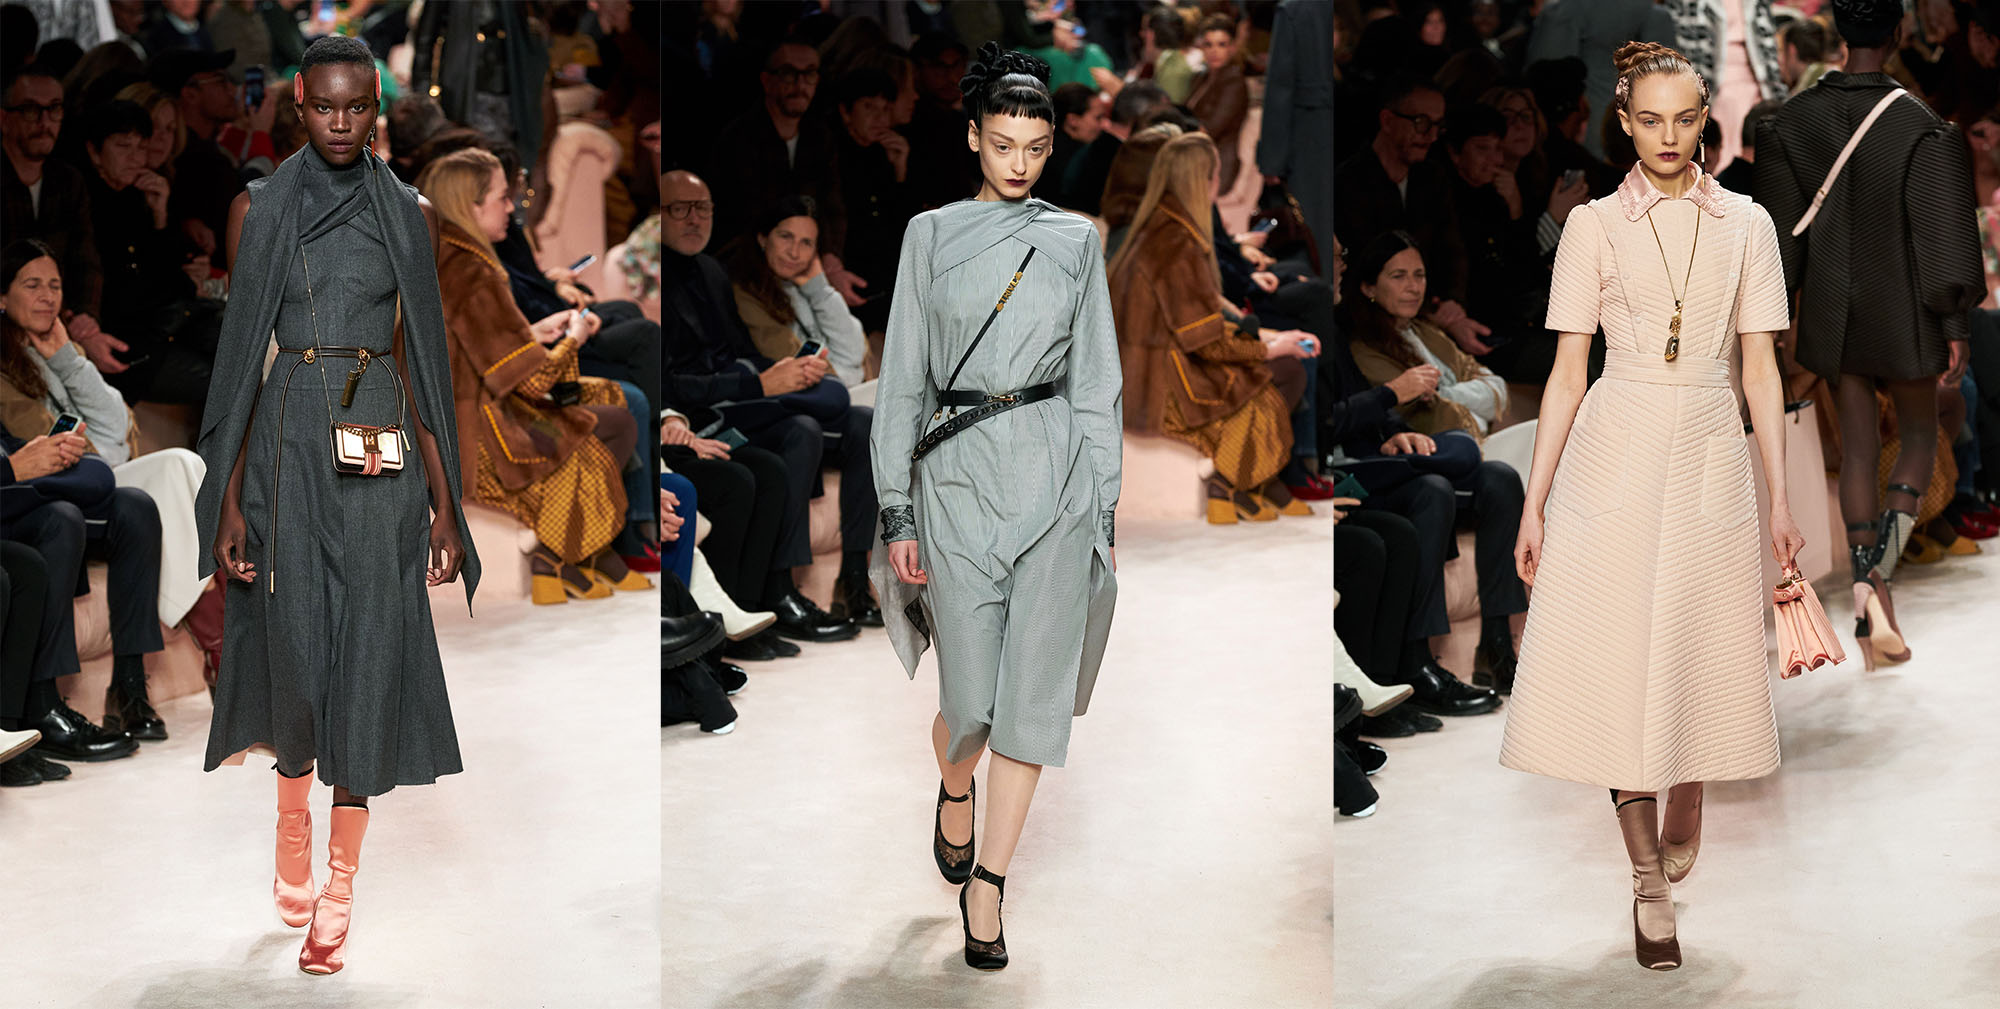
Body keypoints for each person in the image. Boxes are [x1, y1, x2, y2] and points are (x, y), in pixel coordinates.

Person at [1499, 42, 1799, 972]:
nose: (1669, 136)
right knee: (1620, 664)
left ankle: (1692, 780)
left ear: (1706, 117)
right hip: (1613, 449)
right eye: (1650, 119)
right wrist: (1535, 502)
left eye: (1685, 117)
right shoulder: (1592, 225)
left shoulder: (1748, 223)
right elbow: (1566, 372)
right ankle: (1646, 884)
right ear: (1623, 124)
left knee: (1701, 645)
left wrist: (1780, 496)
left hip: (1710, 441)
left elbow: (1760, 367)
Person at [191, 35, 480, 976]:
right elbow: (240, 361)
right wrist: (227, 499)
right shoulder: (259, 208)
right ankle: (291, 816)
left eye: (358, 107)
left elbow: (424, 358)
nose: (342, 122)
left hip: (379, 441)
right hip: (286, 442)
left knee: (369, 650)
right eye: (324, 106)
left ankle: (341, 886)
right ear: (299, 106)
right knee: (296, 645)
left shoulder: (409, 213)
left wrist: (444, 502)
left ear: (378, 108)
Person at [868, 44, 1120, 972]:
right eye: (1004, 143)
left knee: (1032, 701)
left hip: (1056, 476)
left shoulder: (1076, 241)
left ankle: (991, 884)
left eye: (1038, 148)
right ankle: (954, 784)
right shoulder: (930, 235)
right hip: (958, 477)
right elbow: (902, 378)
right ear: (973, 137)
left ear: (1053, 147)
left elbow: (1096, 381)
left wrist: (1102, 509)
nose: (1020, 162)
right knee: (970, 703)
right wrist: (897, 509)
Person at [1754, 0, 1985, 666]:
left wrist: (1777, 321)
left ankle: (1865, 585)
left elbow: (1779, 240)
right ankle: (1876, 575)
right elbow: (1942, 236)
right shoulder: (1922, 127)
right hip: (1904, 305)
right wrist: (1954, 320)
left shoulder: (1789, 122)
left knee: (1858, 449)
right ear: (1897, 32)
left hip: (1830, 306)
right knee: (1920, 436)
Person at [419, 147, 649, 601]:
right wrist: (574, 337)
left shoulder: (445, 259)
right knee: (617, 417)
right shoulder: (472, 271)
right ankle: (562, 553)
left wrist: (534, 332)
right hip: (482, 441)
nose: (511, 207)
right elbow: (531, 382)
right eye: (502, 197)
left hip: (463, 423)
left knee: (611, 400)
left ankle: (571, 555)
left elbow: (474, 349)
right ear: (472, 206)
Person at [1108, 131, 1317, 523]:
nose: (1218, 183)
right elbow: (1203, 338)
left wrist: (1269, 341)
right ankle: (1234, 481)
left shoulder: (1159, 229)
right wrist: (1270, 346)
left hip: (1146, 373)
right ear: (1201, 180)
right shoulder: (1176, 242)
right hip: (1163, 385)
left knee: (1282, 367)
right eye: (1215, 174)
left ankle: (1246, 482)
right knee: (1283, 372)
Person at [727, 196, 868, 388]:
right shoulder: (745, 294)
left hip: (841, 390)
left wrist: (820, 291)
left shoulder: (810, 284)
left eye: (806, 242)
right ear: (763, 239)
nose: (794, 252)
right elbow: (799, 368)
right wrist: (853, 375)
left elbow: (856, 351)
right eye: (786, 237)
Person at [1188, 12, 1250, 193]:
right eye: (1208, 44)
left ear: (1232, 48)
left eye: (1221, 44)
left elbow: (1211, 129)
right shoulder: (1200, 78)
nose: (1214, 51)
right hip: (1193, 155)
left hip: (1217, 164)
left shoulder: (1234, 82)